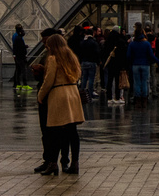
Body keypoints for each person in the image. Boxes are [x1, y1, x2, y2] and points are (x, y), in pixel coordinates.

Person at [35, 32, 84, 175]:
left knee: (55, 132)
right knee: (72, 132)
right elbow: (78, 74)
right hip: (72, 94)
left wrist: (40, 95)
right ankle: (74, 164)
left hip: (58, 95)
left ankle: (53, 164)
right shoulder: (71, 56)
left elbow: (49, 80)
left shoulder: (52, 58)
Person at [126, 29, 157, 104]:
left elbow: (128, 55)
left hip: (135, 64)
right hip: (145, 64)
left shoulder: (132, 44)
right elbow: (151, 55)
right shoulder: (146, 43)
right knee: (145, 82)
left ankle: (137, 98)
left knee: (137, 82)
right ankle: (145, 98)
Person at [76, 25, 100, 101]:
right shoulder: (93, 42)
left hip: (84, 62)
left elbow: (79, 52)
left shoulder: (82, 42)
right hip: (91, 62)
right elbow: (97, 52)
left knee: (84, 78)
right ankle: (90, 94)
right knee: (91, 79)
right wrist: (98, 61)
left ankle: (82, 93)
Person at [10, 24, 30, 89]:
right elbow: (18, 46)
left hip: (17, 55)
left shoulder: (15, 36)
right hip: (20, 55)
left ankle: (16, 84)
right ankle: (24, 84)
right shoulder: (18, 37)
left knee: (18, 69)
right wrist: (25, 46)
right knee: (23, 69)